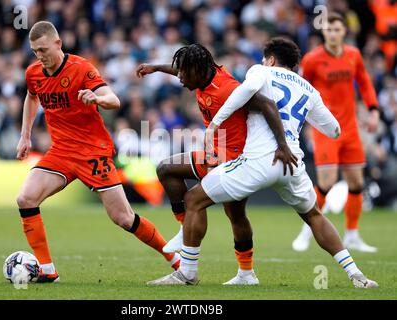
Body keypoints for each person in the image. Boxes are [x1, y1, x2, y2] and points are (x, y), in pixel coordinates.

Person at [147, 38, 378, 289]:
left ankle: (186, 273)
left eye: (263, 59)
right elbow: (333, 130)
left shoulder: (260, 72)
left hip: (259, 159)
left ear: (270, 59)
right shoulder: (310, 90)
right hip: (292, 162)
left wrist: (217, 123)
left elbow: (255, 98)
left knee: (194, 199)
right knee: (313, 215)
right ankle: (357, 275)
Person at [16, 21, 180, 283]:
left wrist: (97, 99)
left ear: (58, 44)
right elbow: (31, 96)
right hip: (61, 152)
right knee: (25, 199)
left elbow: (114, 100)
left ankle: (175, 258)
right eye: (35, 51)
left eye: (44, 50)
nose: (40, 56)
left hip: (93, 152)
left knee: (123, 218)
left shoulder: (81, 68)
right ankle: (48, 270)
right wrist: (25, 135)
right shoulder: (34, 72)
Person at [136, 44, 297, 285]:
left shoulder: (227, 89)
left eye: (183, 73)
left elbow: (266, 105)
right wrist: (156, 68)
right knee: (170, 172)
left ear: (198, 71)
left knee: (210, 204)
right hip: (216, 149)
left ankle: (200, 271)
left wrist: (282, 145)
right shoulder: (201, 75)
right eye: (179, 72)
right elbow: (180, 70)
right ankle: (241, 270)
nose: (179, 78)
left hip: (233, 156)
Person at [292, 12, 380, 253]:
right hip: (325, 129)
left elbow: (364, 82)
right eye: (329, 30)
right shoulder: (312, 60)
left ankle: (352, 235)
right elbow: (302, 89)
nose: (332, 33)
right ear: (324, 33)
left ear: (344, 32)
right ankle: (307, 230)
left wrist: (373, 110)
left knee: (356, 183)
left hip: (350, 128)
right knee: (327, 183)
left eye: (337, 29)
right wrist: (305, 124)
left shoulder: (353, 55)